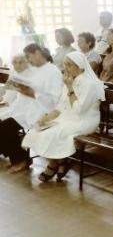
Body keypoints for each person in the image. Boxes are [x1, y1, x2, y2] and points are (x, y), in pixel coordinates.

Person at [21, 51, 105, 182]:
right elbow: (61, 107)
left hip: (85, 120)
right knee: (39, 130)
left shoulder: (90, 84)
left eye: (69, 65)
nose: (65, 68)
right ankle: (61, 163)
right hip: (68, 117)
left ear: (80, 66)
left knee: (55, 133)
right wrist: (46, 118)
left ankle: (53, 165)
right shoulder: (70, 79)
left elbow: (79, 110)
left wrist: (70, 87)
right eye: (65, 64)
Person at [0, 44, 63, 172]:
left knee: (6, 126)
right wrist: (20, 88)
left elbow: (54, 99)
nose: (28, 61)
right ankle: (17, 157)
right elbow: (28, 88)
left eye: (29, 57)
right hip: (26, 107)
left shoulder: (53, 71)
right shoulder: (35, 70)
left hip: (42, 110)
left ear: (38, 53)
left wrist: (33, 94)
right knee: (2, 123)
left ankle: (21, 159)